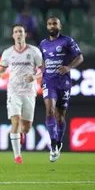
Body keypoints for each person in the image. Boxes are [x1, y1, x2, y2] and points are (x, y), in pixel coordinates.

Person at [0, 24, 43, 164]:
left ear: (25, 34)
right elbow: (1, 71)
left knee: (27, 127)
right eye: (16, 32)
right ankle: (17, 156)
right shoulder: (8, 52)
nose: (18, 34)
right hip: (14, 91)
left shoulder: (34, 51)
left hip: (29, 91)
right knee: (15, 120)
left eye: (20, 32)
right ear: (13, 35)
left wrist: (34, 77)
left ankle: (22, 134)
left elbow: (42, 70)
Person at [39, 17, 83, 162]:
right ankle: (52, 145)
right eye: (50, 24)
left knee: (60, 116)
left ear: (60, 26)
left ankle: (58, 142)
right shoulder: (43, 44)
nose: (52, 26)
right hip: (49, 82)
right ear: (47, 26)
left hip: (63, 82)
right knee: (50, 109)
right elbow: (43, 62)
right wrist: (42, 76)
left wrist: (69, 67)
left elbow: (80, 57)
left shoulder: (67, 41)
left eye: (55, 23)